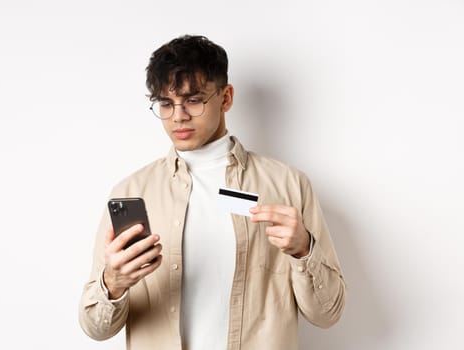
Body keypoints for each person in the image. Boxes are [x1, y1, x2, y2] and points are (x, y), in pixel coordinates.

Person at [79, 35, 346, 350]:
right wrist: (114, 283)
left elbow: (328, 314)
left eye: (193, 100)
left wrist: (304, 249)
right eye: (166, 103)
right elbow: (95, 329)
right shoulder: (133, 191)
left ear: (226, 98)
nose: (178, 116)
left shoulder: (288, 184)